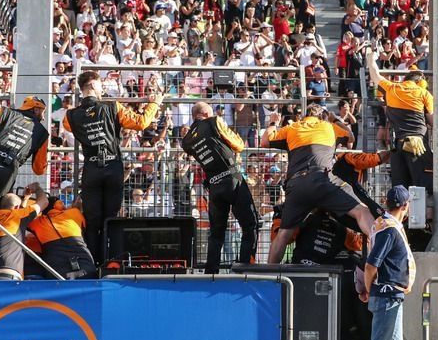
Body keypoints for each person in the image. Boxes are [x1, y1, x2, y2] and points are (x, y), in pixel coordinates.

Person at [63, 70, 163, 265]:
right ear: (92, 86)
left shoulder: (71, 115)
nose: (103, 89)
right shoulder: (112, 106)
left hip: (91, 169)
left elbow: (68, 127)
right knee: (112, 218)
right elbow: (141, 123)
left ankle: (91, 264)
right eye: (101, 85)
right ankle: (111, 263)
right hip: (112, 167)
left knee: (92, 221)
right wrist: (154, 104)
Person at [261, 104, 375, 264]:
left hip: (297, 184)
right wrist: (335, 119)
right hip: (323, 180)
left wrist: (273, 122)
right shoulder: (329, 126)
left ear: (304, 116)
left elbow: (265, 141)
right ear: (323, 117)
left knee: (284, 234)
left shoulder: (293, 127)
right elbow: (350, 137)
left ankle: (269, 278)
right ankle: (380, 252)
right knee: (362, 212)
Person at [181, 101, 259, 273]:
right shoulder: (214, 121)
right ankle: (245, 267)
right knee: (250, 225)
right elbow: (238, 144)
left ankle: (211, 272)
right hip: (232, 178)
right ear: (207, 114)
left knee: (216, 232)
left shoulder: (186, 141)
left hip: (214, 185)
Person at [362, 185, 418, 340]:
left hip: (393, 295)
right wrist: (369, 289)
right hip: (386, 295)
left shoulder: (386, 225)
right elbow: (371, 265)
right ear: (405, 206)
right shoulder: (389, 230)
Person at [366, 49, 433, 191]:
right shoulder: (423, 93)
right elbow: (433, 121)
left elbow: (375, 75)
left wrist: (371, 58)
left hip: (397, 147)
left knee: (400, 192)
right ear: (420, 81)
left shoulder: (392, 88)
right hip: (418, 145)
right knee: (424, 190)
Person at [0, 184, 49, 281]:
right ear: (16, 208)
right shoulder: (16, 217)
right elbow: (44, 202)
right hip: (8, 278)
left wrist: (25, 199)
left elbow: (17, 215)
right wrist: (37, 188)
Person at [28, 197, 97, 279]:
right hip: (85, 266)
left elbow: (23, 218)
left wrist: (26, 199)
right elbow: (78, 207)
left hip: (56, 271)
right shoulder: (74, 213)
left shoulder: (37, 223)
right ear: (58, 205)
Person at [333, 149, 391, 218]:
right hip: (352, 196)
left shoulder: (336, 167)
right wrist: (392, 152)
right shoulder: (348, 157)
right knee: (377, 212)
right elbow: (374, 159)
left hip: (343, 201)